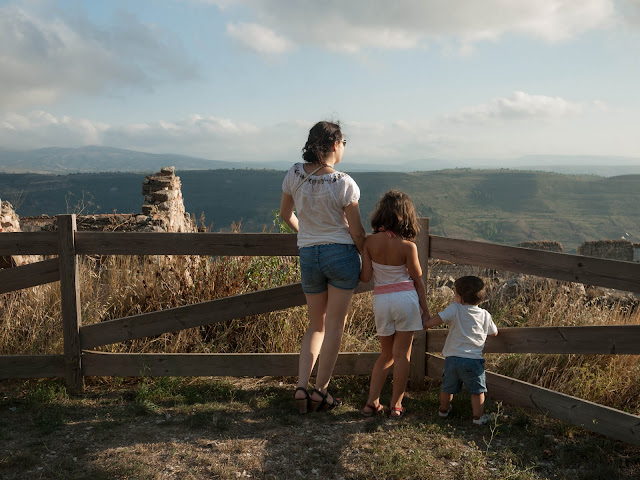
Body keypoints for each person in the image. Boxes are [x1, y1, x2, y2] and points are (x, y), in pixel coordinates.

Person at [280, 120, 366, 413]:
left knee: (315, 325)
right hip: (340, 255)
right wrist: (367, 259)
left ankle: (301, 387)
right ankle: (321, 392)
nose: (343, 148)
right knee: (335, 328)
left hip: (309, 255)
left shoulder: (294, 173)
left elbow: (284, 213)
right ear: (334, 144)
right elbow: (357, 233)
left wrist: (305, 233)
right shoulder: (344, 182)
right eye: (343, 143)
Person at [359, 190, 429, 419]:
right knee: (402, 356)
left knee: (386, 355)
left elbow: (366, 277)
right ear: (406, 216)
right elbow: (417, 279)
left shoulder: (369, 242)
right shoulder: (408, 247)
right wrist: (426, 311)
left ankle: (372, 402)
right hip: (405, 299)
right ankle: (396, 405)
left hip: (381, 300)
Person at [422, 275, 498, 425]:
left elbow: (440, 318)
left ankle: (443, 410)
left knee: (447, 387)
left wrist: (426, 324)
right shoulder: (485, 314)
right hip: (473, 361)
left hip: (452, 359)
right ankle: (478, 417)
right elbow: (494, 332)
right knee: (477, 390)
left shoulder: (455, 308)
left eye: (455, 293)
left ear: (460, 297)